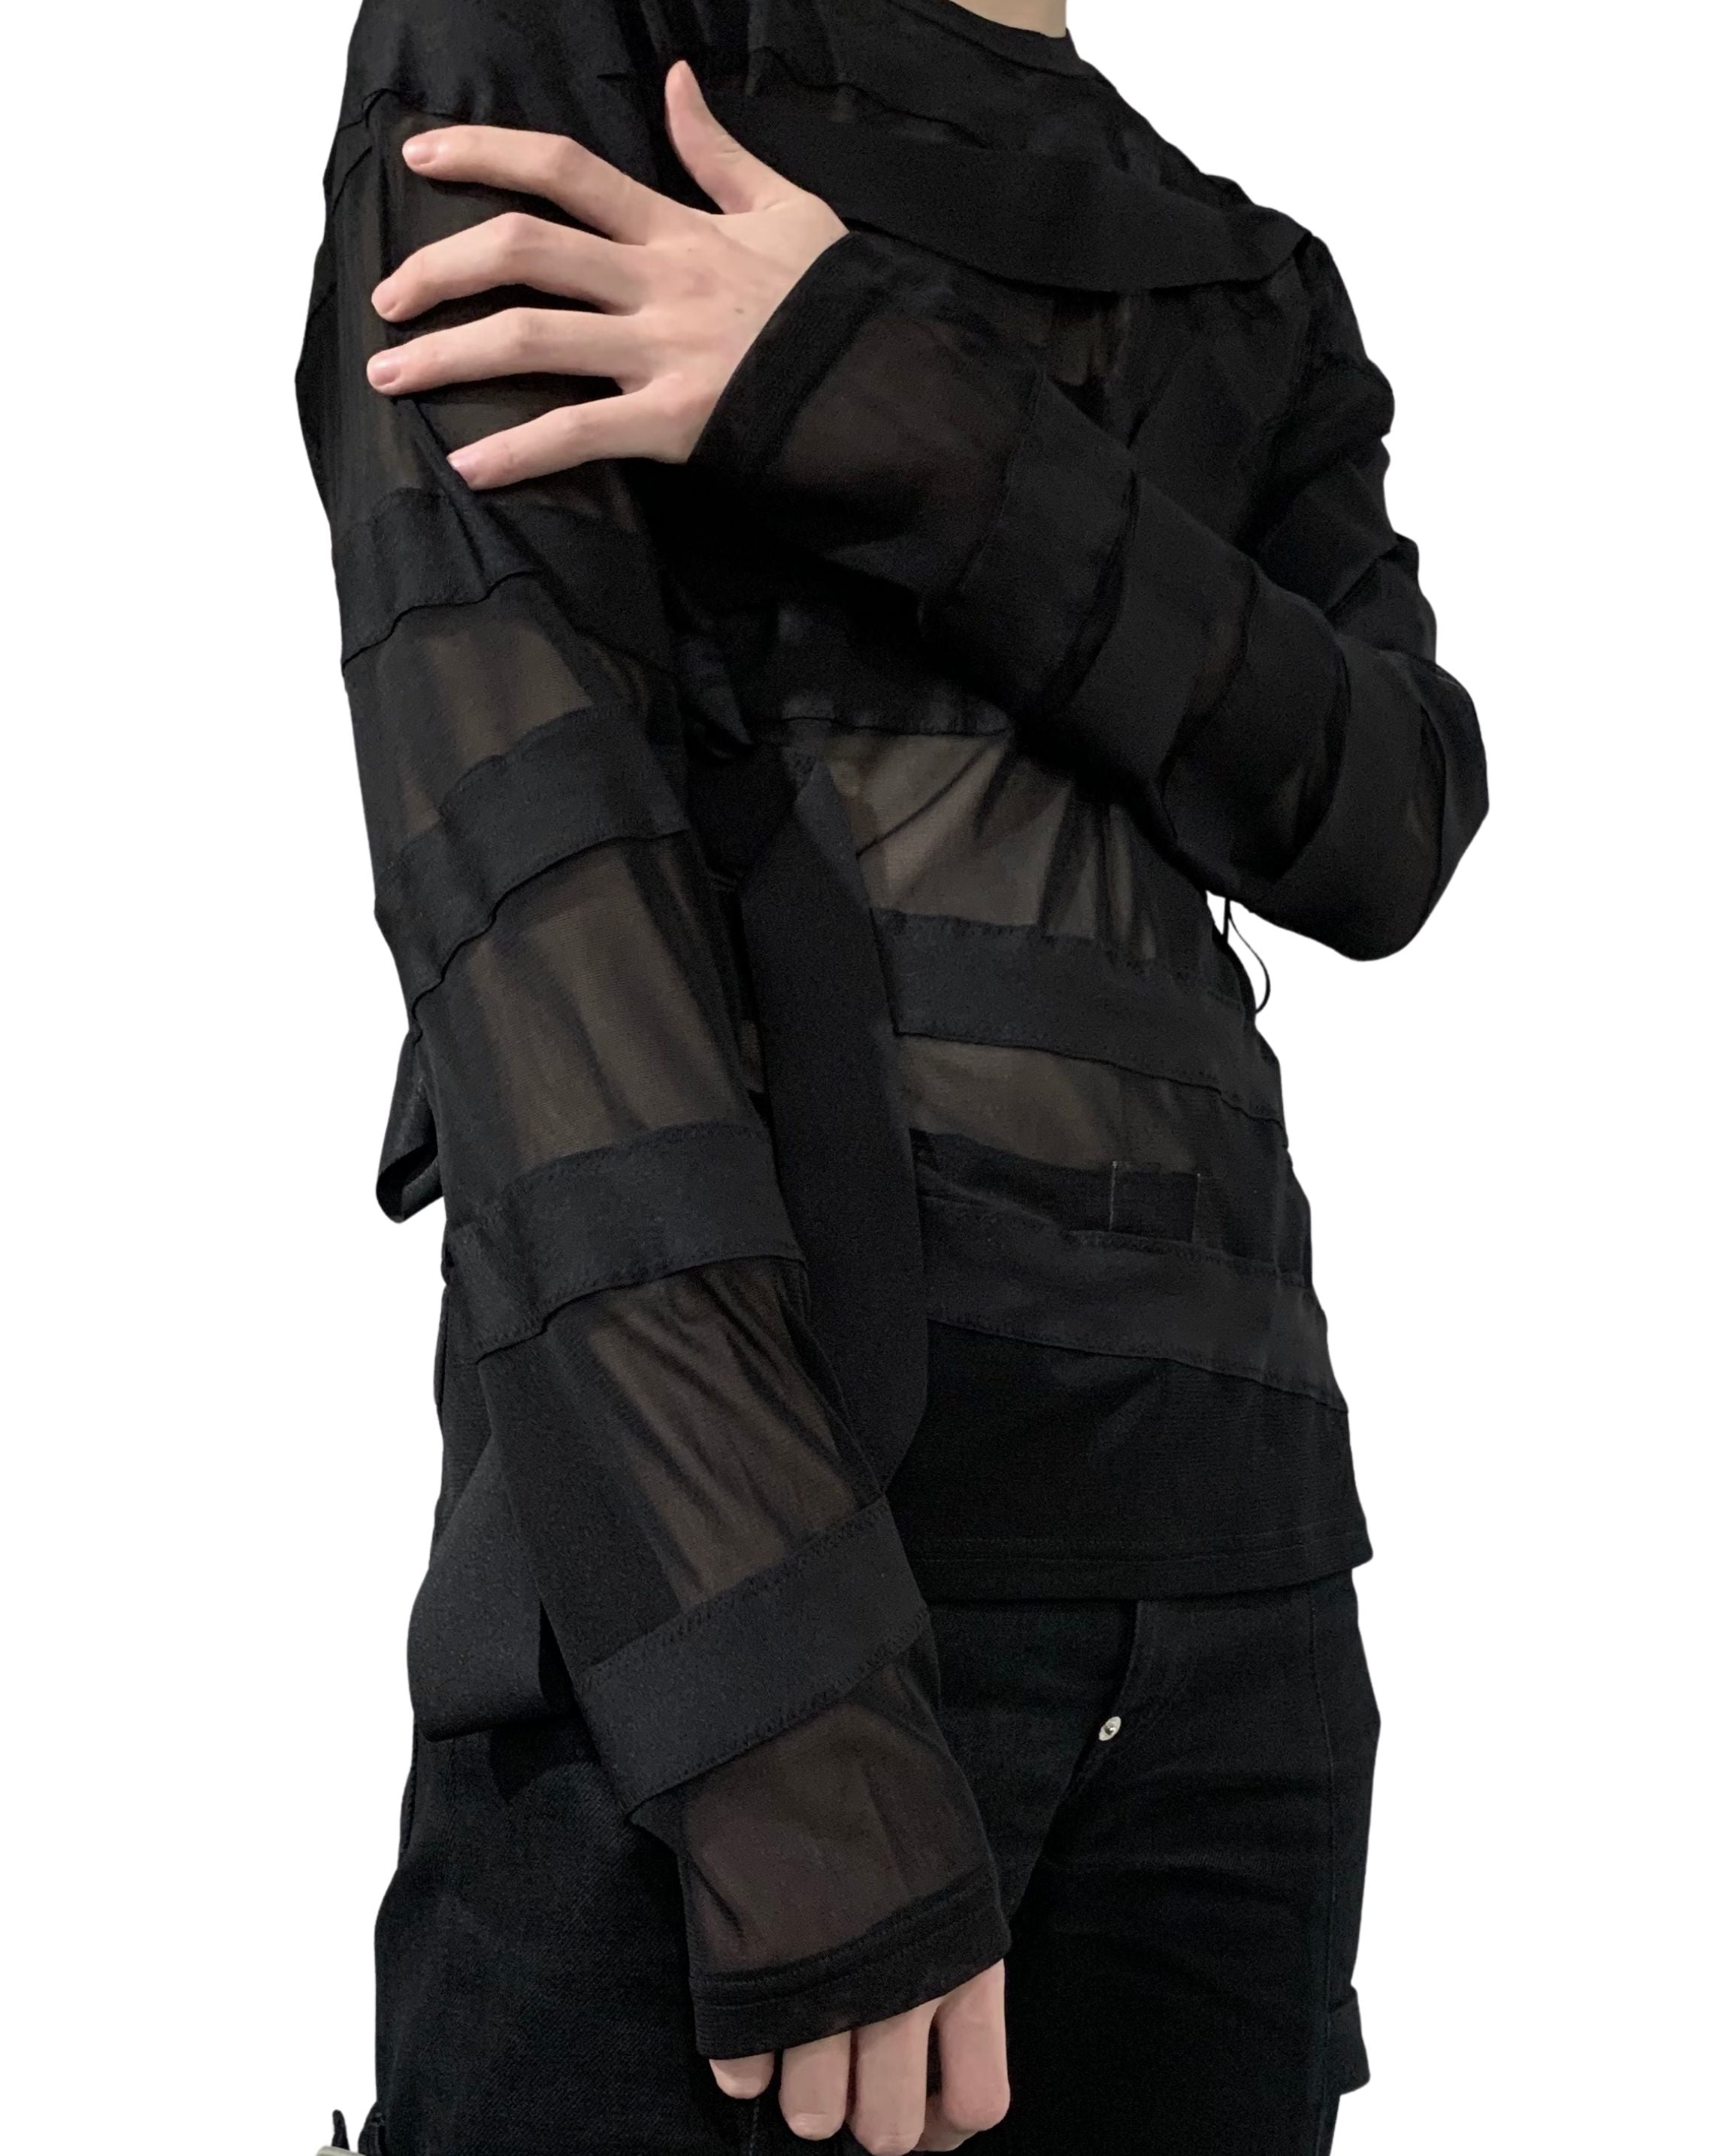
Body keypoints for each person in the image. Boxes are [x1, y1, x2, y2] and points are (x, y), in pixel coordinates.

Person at [295, 0, 1485, 2146]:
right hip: (746, 1622)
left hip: (1243, 1633)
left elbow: (1386, 815)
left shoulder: (1244, 270)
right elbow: (535, 911)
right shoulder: (559, 48)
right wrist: (785, 1729)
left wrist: (867, 385)